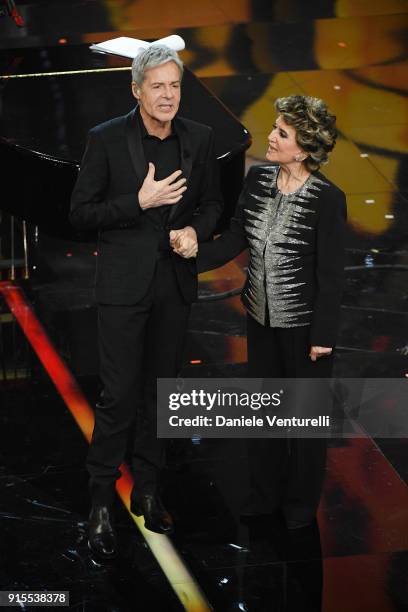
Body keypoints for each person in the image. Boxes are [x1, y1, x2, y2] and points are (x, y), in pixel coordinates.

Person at [70, 45, 222, 558]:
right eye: (156, 86)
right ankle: (98, 504)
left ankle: (149, 490)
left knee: (163, 394)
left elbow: (213, 203)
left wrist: (196, 233)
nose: (167, 95)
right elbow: (81, 213)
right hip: (122, 288)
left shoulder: (198, 139)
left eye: (174, 86)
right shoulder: (106, 139)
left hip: (173, 285)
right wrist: (139, 201)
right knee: (118, 397)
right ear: (136, 90)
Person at [172, 94, 346, 528]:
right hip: (259, 317)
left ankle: (301, 504)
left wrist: (323, 337)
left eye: (281, 134)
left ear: (304, 148)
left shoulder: (328, 199)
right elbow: (235, 239)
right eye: (275, 127)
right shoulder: (258, 180)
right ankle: (264, 495)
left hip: (304, 328)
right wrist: (192, 253)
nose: (269, 137)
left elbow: (331, 274)